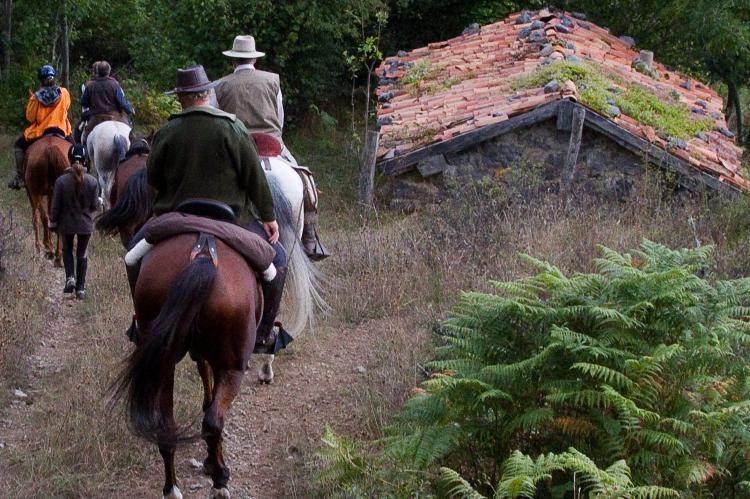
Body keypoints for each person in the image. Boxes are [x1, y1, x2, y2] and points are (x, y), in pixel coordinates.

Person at [133, 64, 286, 352]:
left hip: (175, 218)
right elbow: (255, 177)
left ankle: (143, 328)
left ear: (181, 97)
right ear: (208, 93)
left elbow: (152, 178)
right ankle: (263, 334)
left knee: (133, 256)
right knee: (278, 259)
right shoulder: (233, 128)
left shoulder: (167, 131)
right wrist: (268, 216)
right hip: (231, 222)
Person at [214, 35, 329, 260]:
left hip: (236, 147)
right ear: (254, 60)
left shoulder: (221, 85)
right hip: (271, 144)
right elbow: (280, 118)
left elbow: (217, 122)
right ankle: (310, 237)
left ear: (233, 61)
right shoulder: (272, 81)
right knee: (305, 179)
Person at [8, 64, 72, 190]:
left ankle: (20, 178)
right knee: (77, 148)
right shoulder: (64, 93)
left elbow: (30, 117)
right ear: (54, 77)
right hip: (61, 130)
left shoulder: (35, 97)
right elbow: (67, 107)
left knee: (19, 146)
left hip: (41, 131)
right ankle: (81, 174)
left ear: (41, 79)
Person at [49, 144, 101, 299]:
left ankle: (70, 278)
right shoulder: (92, 182)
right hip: (85, 224)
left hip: (66, 224)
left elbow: (55, 206)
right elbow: (94, 206)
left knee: (66, 249)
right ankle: (81, 289)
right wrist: (99, 202)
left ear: (69, 159)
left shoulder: (61, 181)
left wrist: (53, 222)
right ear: (86, 161)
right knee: (82, 253)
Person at [80, 60, 134, 145]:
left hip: (96, 117)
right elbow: (122, 102)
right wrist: (130, 110)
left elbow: (83, 102)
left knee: (84, 138)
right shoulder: (115, 84)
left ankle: (84, 155)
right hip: (115, 116)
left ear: (97, 72)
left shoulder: (90, 85)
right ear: (108, 72)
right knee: (131, 133)